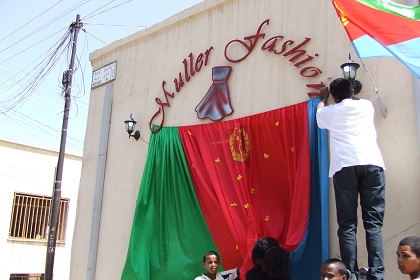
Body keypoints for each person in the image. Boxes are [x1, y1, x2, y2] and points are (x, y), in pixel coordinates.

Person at [316, 78, 386, 280]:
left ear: (335, 96)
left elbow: (319, 114)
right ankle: (377, 272)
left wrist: (323, 98)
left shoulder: (330, 111)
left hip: (344, 167)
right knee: (373, 223)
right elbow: (352, 98)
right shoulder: (366, 105)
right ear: (352, 91)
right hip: (372, 163)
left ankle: (350, 272)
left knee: (347, 224)